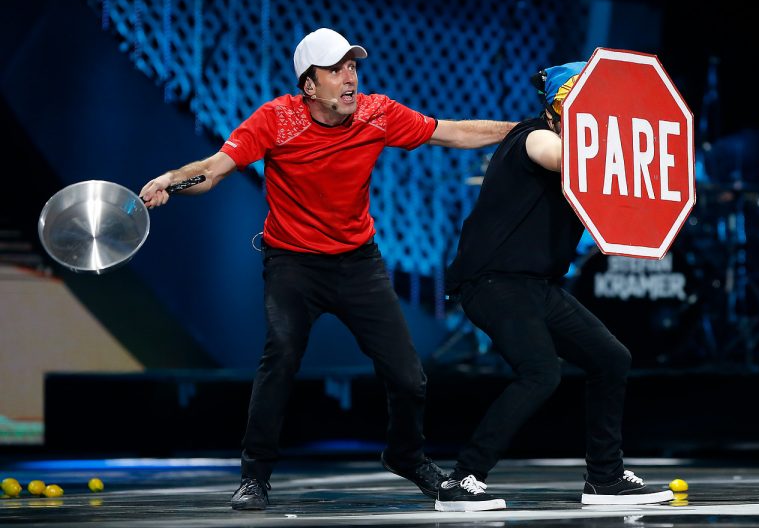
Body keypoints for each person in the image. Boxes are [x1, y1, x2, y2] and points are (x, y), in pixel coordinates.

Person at [139, 27, 517, 511]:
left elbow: (453, 131)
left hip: (359, 264)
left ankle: (405, 456)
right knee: (281, 359)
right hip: (293, 264)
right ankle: (255, 476)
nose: (350, 77)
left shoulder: (377, 113)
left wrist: (524, 130)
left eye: (353, 66)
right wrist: (171, 180)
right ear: (309, 86)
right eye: (336, 69)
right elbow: (213, 170)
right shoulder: (276, 120)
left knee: (409, 377)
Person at [438, 61, 675, 512]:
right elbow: (567, 158)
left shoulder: (581, 148)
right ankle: (462, 478)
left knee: (611, 358)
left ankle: (604, 477)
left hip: (536, 285)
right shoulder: (536, 138)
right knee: (540, 372)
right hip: (493, 280)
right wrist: (626, 146)